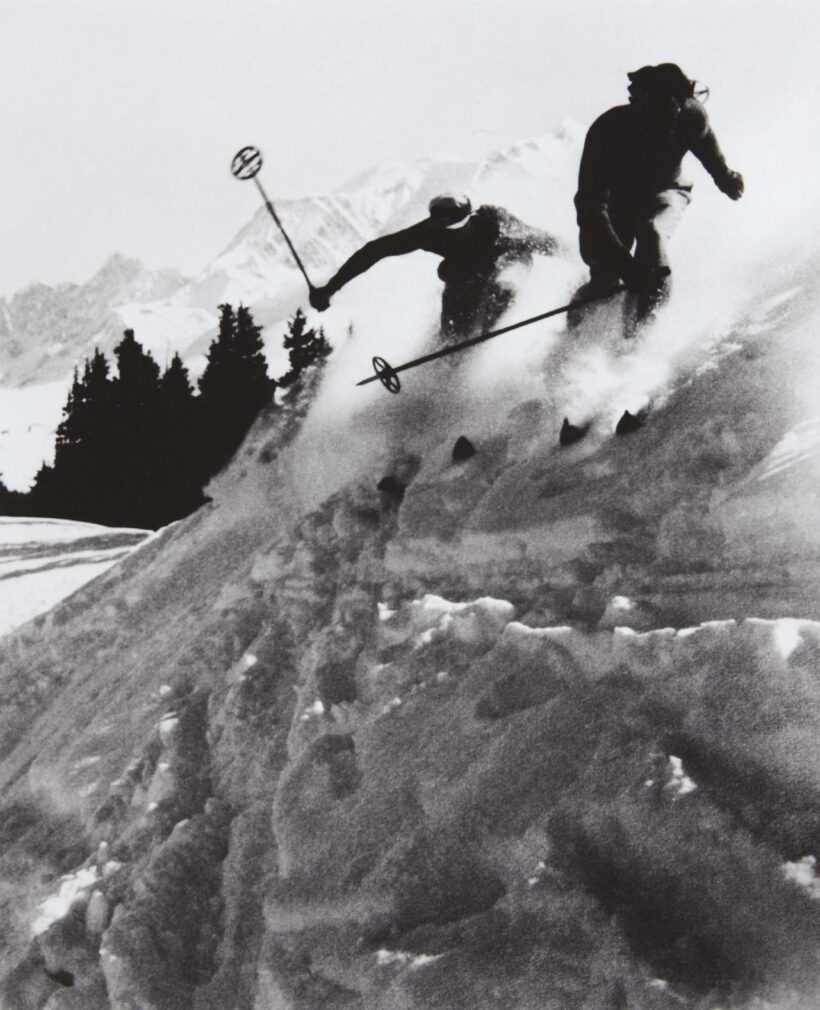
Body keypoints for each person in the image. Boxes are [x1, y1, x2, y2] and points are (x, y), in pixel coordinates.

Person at [572, 62, 744, 336]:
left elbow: (705, 145)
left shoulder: (691, 116)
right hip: (616, 204)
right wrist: (624, 265)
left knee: (651, 231)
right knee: (604, 281)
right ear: (638, 105)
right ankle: (572, 337)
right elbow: (590, 207)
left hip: (667, 190)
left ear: (680, 102)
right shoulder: (608, 131)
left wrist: (724, 177)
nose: (661, 126)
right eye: (653, 116)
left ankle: (640, 338)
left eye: (670, 113)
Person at [309, 194, 560, 339]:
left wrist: (591, 260)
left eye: (454, 229)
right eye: (443, 230)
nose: (448, 235)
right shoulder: (427, 233)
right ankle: (451, 350)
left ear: (468, 219)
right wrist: (331, 288)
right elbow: (373, 252)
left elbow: (543, 240)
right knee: (452, 300)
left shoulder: (493, 222)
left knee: (503, 287)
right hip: (469, 271)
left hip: (509, 261)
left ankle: (490, 331)